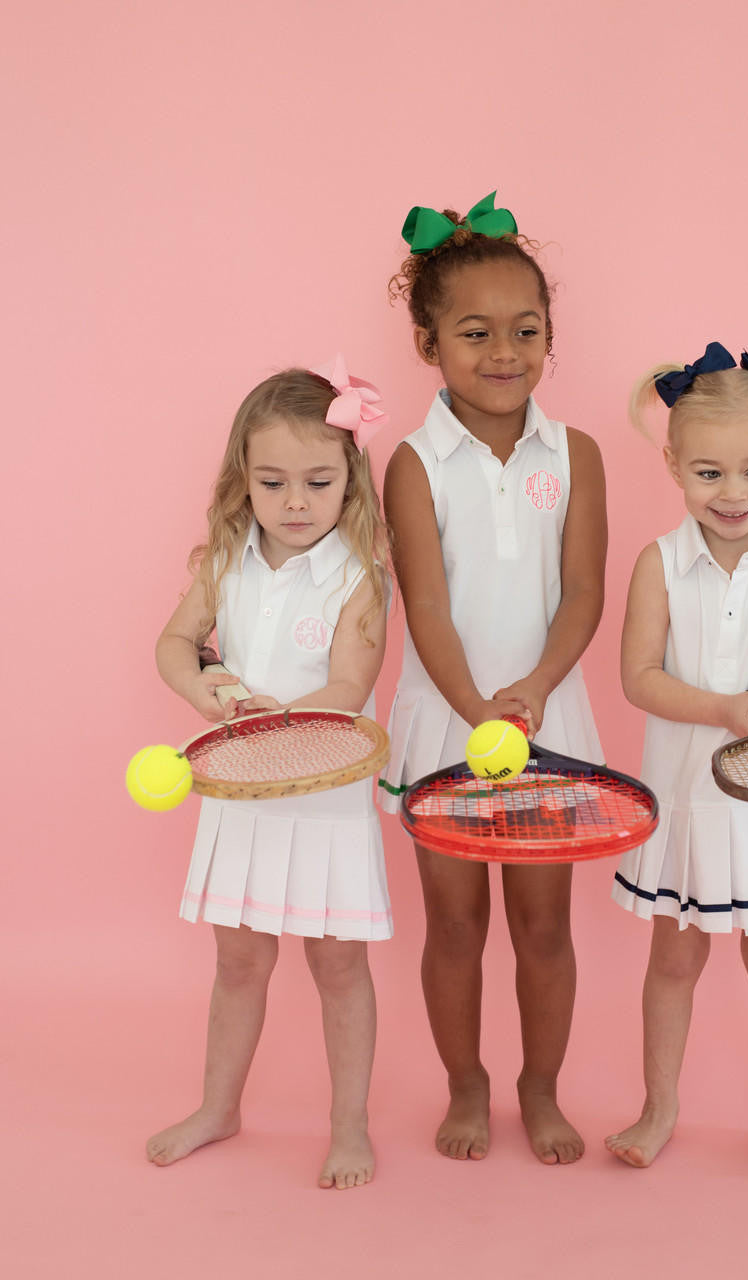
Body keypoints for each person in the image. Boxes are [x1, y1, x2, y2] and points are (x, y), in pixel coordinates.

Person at [380, 192, 606, 1164]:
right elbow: (426, 607)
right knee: (457, 923)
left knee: (545, 925)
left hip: (548, 718)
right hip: (448, 721)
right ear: (429, 341)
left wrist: (537, 688)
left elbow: (584, 590)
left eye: (526, 330)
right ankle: (466, 1080)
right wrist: (477, 709)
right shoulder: (412, 462)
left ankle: (538, 1085)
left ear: (551, 335)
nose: (504, 350)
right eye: (475, 332)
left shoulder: (577, 453)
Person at [146, 361, 392, 1189]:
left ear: (349, 479)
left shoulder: (361, 577)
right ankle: (220, 1106)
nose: (295, 502)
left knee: (338, 969)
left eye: (318, 482)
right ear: (241, 481)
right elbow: (174, 645)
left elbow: (349, 690)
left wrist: (276, 720)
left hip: (325, 802)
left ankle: (350, 1127)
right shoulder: (225, 561)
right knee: (240, 965)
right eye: (273, 481)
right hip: (241, 799)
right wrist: (207, 688)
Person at [607, 342, 748, 1173]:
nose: (732, 494)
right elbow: (637, 678)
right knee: (673, 957)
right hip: (682, 800)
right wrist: (721, 710)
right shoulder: (659, 564)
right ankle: (658, 1107)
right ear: (671, 464)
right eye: (707, 473)